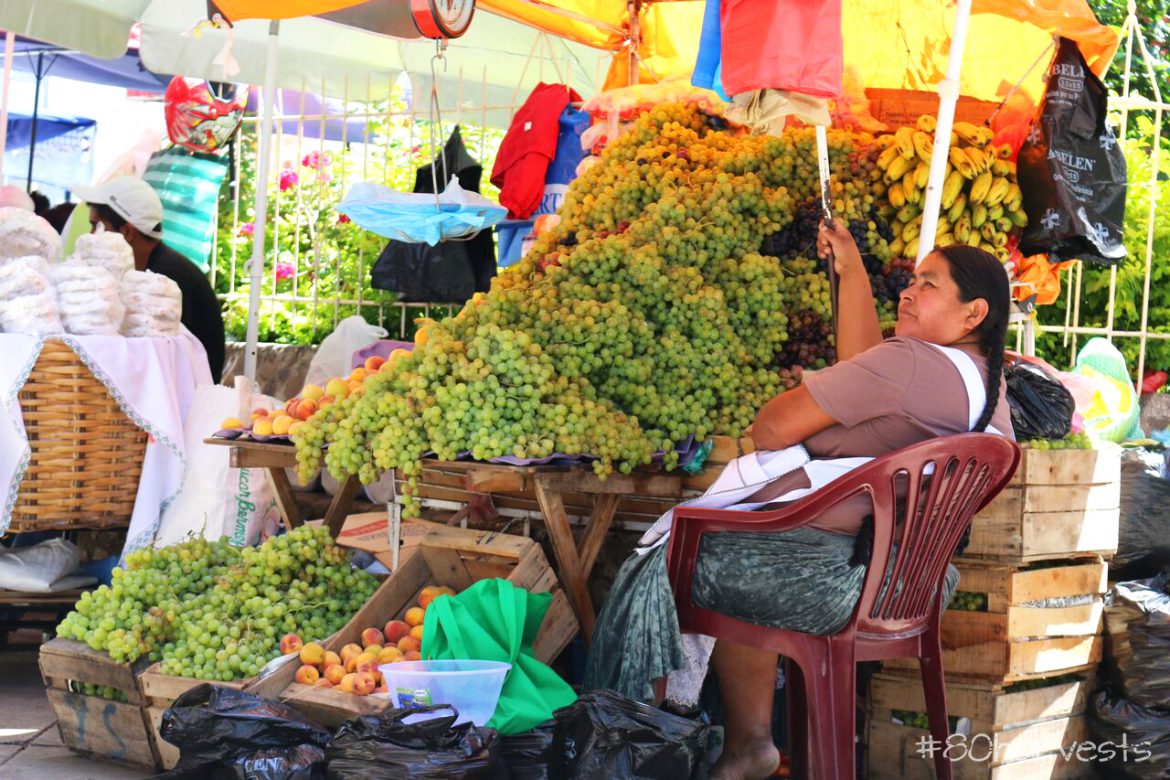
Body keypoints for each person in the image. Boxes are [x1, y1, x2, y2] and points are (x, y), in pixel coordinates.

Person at [584, 223, 1014, 780]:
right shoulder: (989, 386)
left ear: (973, 313)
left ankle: (635, 749)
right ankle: (749, 747)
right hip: (907, 585)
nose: (908, 292)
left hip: (833, 580)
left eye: (928, 285)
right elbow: (868, 365)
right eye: (911, 281)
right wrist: (851, 270)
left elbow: (770, 429)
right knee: (741, 542)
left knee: (670, 560)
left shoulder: (910, 364)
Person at [75, 176, 225, 382]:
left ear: (127, 232)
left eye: (96, 226)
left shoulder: (166, 280)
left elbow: (164, 359)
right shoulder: (145, 270)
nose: (91, 235)